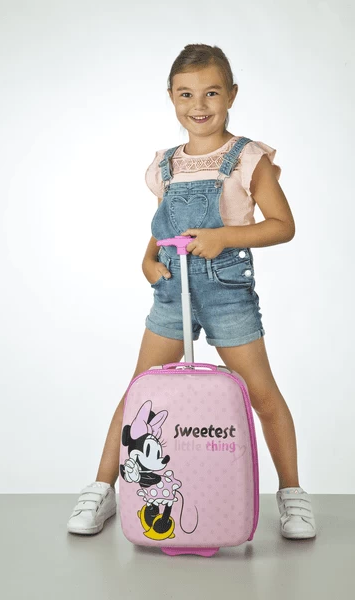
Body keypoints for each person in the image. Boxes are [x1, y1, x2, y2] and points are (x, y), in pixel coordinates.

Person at [67, 44, 316, 540]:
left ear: (232, 95)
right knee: (139, 393)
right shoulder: (165, 164)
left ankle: (292, 494)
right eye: (186, 94)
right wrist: (148, 259)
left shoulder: (247, 158)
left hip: (225, 290)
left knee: (261, 394)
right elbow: (163, 226)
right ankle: (103, 489)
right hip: (170, 291)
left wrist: (224, 237)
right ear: (171, 97)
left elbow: (282, 225)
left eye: (211, 93)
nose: (198, 105)